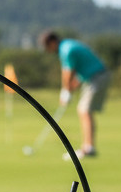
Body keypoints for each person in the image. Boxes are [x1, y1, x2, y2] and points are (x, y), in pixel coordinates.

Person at [39, 29, 110, 158]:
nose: (48, 50)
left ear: (53, 42)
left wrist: (65, 91)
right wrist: (70, 88)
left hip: (97, 77)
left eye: (47, 47)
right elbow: (81, 73)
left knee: (84, 110)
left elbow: (68, 73)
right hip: (95, 76)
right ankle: (88, 146)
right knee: (83, 110)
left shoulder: (67, 50)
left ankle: (88, 148)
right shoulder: (68, 45)